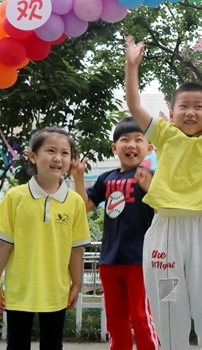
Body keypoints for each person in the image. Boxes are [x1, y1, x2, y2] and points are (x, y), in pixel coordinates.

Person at [124, 33, 202, 350]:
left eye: (199, 106)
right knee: (167, 299)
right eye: (183, 106)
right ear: (170, 113)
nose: (190, 111)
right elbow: (133, 104)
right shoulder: (164, 133)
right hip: (166, 229)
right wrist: (132, 67)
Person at [0, 127, 91, 350]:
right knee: (17, 345)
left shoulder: (75, 202)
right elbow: (4, 244)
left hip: (56, 291)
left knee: (53, 345)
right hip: (19, 290)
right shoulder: (15, 197)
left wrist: (77, 283)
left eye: (65, 153)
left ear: (71, 160)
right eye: (50, 150)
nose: (57, 158)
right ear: (32, 156)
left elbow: (76, 249)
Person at [72, 117, 160, 350]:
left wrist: (150, 188)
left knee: (142, 317)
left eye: (138, 140)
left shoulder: (151, 177)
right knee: (115, 320)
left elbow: (163, 211)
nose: (131, 145)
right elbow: (83, 207)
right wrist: (78, 177)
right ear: (115, 147)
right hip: (110, 260)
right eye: (125, 140)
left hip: (140, 260)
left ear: (149, 148)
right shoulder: (106, 178)